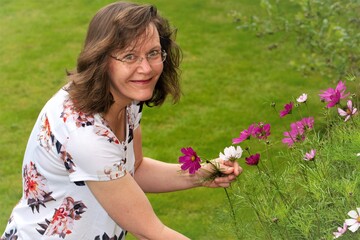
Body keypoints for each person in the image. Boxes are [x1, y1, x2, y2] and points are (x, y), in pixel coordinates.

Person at [1, 1, 242, 239]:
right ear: (102, 59)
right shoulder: (84, 135)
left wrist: (203, 173)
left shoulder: (125, 100)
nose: (146, 68)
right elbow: (150, 231)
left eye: (153, 53)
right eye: (129, 56)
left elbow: (133, 168)